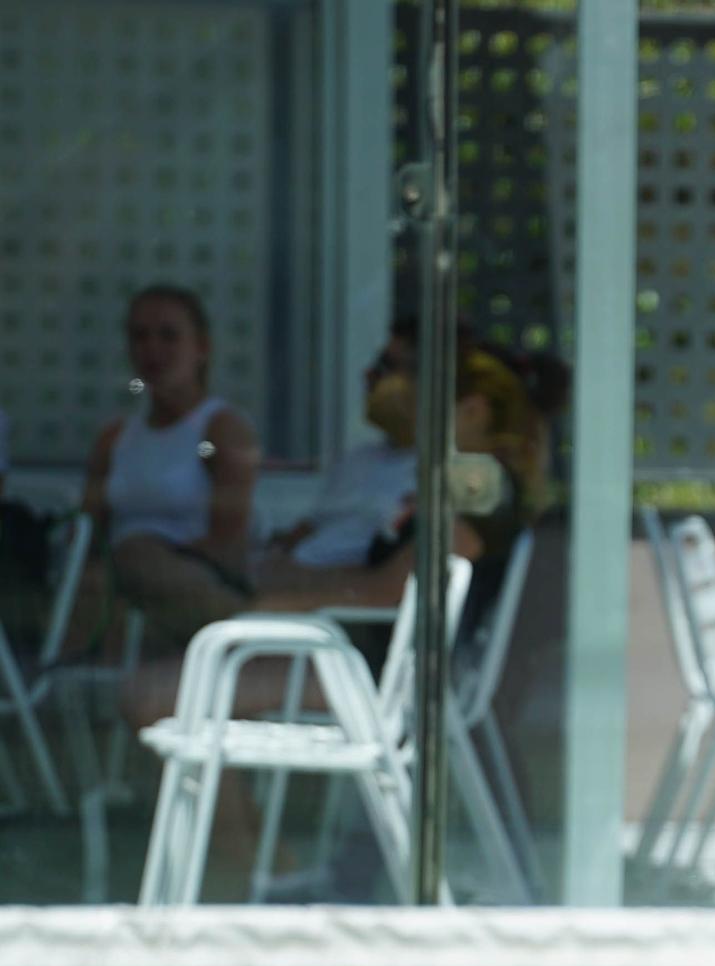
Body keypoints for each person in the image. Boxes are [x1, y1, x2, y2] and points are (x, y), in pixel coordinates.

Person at [118, 329, 564, 901]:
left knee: (157, 694)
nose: (409, 414)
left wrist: (284, 594)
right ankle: (255, 868)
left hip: (370, 676)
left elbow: (389, 591)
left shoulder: (478, 493)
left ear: (471, 411)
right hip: (355, 661)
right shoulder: (456, 485)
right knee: (159, 688)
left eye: (423, 401)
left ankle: (235, 876)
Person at [73, 285, 261, 650]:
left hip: (198, 584)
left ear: (201, 348)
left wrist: (149, 563)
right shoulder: (114, 438)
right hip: (120, 591)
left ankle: (250, 644)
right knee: (95, 591)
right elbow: (87, 533)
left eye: (168, 336)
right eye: (140, 336)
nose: (152, 349)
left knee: (134, 555)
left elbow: (229, 542)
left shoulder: (221, 429)